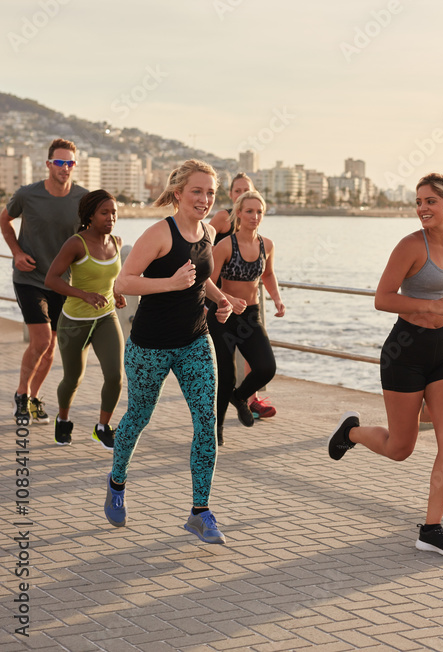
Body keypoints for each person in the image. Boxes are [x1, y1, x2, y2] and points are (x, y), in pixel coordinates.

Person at [327, 173, 443, 558]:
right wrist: (434, 306)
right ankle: (352, 432)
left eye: (430, 202)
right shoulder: (410, 245)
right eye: (419, 201)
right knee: (400, 448)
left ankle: (431, 529)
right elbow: (382, 298)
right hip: (404, 352)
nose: (422, 208)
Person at [104, 160, 233, 545]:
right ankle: (116, 481)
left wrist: (222, 298)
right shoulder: (159, 233)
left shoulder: (209, 232)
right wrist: (171, 283)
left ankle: (200, 511)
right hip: (150, 346)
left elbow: (201, 276)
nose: (205, 199)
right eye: (197, 191)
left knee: (206, 423)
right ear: (178, 193)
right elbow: (124, 281)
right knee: (139, 417)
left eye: (210, 192)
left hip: (195, 340)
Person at [0, 138, 88, 427]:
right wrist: (17, 253)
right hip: (30, 278)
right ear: (49, 164)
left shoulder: (83, 200)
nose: (65, 168)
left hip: (63, 283)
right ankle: (21, 395)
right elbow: (5, 219)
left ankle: (35, 397)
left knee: (51, 349)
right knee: (41, 340)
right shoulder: (28, 195)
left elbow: (89, 240)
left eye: (70, 163)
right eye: (60, 162)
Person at [44, 190, 126, 448]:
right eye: (105, 213)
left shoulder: (117, 241)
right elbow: (52, 279)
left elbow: (111, 278)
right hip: (74, 321)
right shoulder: (76, 243)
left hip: (106, 317)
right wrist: (84, 295)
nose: (111, 217)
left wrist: (116, 292)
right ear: (90, 215)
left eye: (114, 212)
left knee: (115, 376)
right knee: (73, 378)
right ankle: (64, 420)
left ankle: (102, 427)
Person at [208, 190, 285, 446]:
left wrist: (277, 298)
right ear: (238, 213)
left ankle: (240, 398)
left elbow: (268, 275)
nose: (255, 216)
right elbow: (208, 281)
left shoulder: (268, 244)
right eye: (249, 211)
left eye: (259, 211)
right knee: (226, 375)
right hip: (224, 315)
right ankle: (216, 429)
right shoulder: (225, 245)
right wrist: (227, 300)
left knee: (266, 367)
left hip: (251, 316)